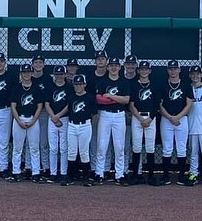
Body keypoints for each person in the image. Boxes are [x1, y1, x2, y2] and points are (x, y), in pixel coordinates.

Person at [93, 57, 129, 185]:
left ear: (120, 67)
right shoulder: (103, 81)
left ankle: (120, 174)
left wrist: (110, 97)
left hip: (119, 116)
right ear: (108, 67)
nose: (114, 68)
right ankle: (99, 173)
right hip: (105, 115)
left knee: (119, 147)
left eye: (116, 66)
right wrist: (117, 99)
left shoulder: (124, 82)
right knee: (102, 146)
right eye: (111, 65)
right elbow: (99, 99)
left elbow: (126, 100)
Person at [160, 60, 193, 186]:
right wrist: (170, 117)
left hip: (181, 119)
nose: (173, 71)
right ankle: (166, 176)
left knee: (181, 148)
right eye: (170, 69)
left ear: (179, 70)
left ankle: (181, 176)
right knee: (167, 148)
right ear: (168, 71)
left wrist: (178, 117)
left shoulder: (185, 85)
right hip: (167, 119)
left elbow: (189, 103)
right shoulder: (163, 85)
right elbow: (160, 105)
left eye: (175, 69)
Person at [9, 63, 44, 183]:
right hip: (19, 119)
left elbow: (40, 106)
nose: (26, 74)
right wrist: (18, 121)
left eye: (28, 72)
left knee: (34, 148)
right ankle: (16, 172)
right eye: (24, 72)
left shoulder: (36, 88)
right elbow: (13, 106)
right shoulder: (16, 88)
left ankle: (35, 173)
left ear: (32, 73)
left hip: (32, 120)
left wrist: (34, 120)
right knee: (17, 148)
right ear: (21, 74)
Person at [129, 60, 160, 186]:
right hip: (137, 117)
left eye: (146, 69)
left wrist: (150, 118)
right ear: (138, 71)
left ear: (150, 71)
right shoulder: (134, 85)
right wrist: (140, 119)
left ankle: (151, 175)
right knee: (136, 146)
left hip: (150, 118)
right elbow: (131, 105)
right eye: (141, 69)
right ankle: (137, 174)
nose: (143, 71)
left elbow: (157, 104)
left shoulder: (154, 85)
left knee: (150, 147)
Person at [67, 74, 97, 186]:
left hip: (85, 125)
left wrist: (89, 125)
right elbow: (68, 109)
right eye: (76, 84)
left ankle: (87, 177)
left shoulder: (89, 97)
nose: (78, 86)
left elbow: (95, 114)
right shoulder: (71, 96)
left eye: (80, 84)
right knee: (72, 151)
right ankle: (69, 176)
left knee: (84, 152)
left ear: (85, 84)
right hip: (72, 125)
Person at [44, 65, 70, 183]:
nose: (59, 76)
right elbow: (47, 104)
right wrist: (53, 117)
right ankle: (53, 173)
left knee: (64, 148)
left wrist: (58, 116)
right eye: (57, 74)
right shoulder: (50, 87)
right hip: (52, 119)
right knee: (53, 148)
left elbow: (69, 105)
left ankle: (64, 173)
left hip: (64, 119)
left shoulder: (69, 87)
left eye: (61, 74)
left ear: (65, 75)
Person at [30, 54, 51, 175]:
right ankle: (30, 168)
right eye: (36, 62)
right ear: (32, 64)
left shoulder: (47, 79)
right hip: (30, 112)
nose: (38, 64)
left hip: (43, 112)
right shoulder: (28, 77)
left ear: (44, 64)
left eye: (40, 62)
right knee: (31, 143)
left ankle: (45, 167)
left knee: (43, 142)